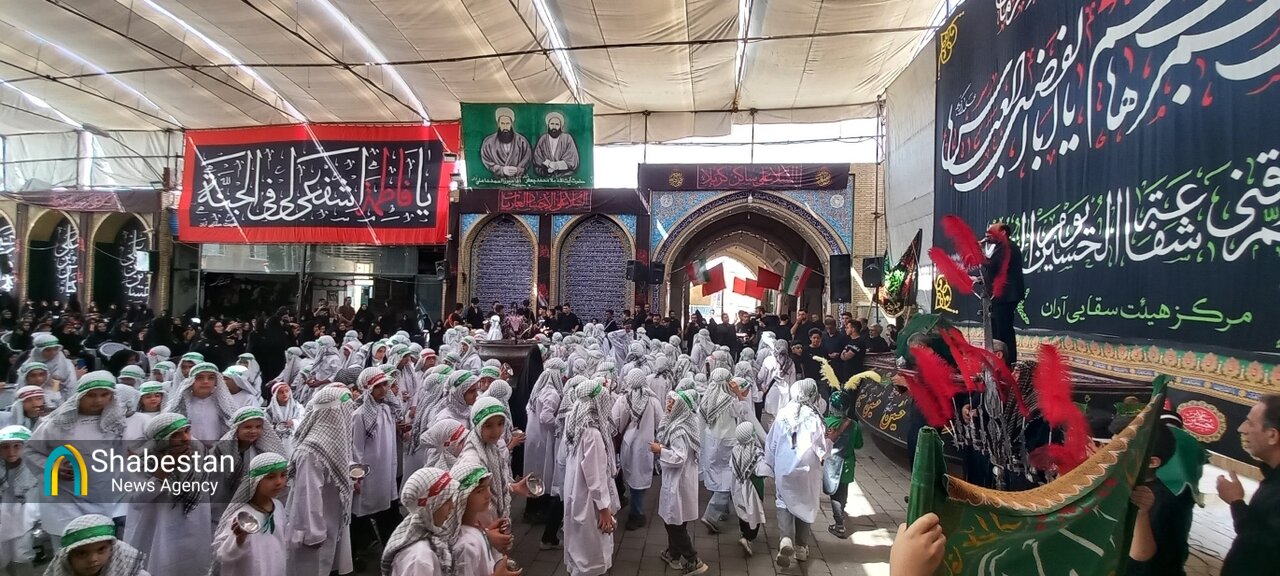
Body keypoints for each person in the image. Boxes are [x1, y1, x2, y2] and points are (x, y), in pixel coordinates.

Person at [24, 371, 127, 553]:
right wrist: (52, 466)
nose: (98, 400)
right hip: (64, 498)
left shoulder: (116, 424)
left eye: (104, 394)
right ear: (80, 395)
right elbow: (30, 450)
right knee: (68, 550)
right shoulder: (56, 424)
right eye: (92, 395)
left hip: (101, 496)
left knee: (98, 550)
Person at [124, 412, 214, 575]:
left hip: (195, 524)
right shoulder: (144, 460)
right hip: (159, 528)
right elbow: (137, 501)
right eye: (175, 435)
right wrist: (164, 470)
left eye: (187, 431)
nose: (185, 438)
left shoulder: (199, 451)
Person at [286, 386, 355, 576]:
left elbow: (341, 461)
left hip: (332, 514)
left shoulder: (331, 441)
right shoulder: (311, 451)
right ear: (334, 414)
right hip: (316, 524)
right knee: (315, 567)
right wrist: (313, 533)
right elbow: (308, 495)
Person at [761, 379, 827, 567]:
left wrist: (771, 464)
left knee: (783, 501)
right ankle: (801, 547)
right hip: (807, 471)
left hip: (784, 467)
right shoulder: (815, 417)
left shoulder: (783, 414)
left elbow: (772, 443)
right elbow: (821, 448)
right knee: (805, 504)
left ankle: (785, 539)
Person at [1216, 394, 1280, 576]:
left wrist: (1236, 502)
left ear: (1272, 435)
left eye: (1250, 423)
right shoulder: (1272, 475)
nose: (1241, 429)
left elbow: (1263, 546)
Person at [562, 379, 619, 576]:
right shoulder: (592, 434)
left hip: (576, 493)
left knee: (579, 545)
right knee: (590, 549)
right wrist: (604, 508)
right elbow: (595, 476)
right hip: (589, 500)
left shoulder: (574, 424)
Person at [652, 389, 708, 575]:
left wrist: (660, 450)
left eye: (672, 402)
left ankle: (693, 560)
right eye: (668, 401)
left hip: (678, 480)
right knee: (677, 519)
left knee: (673, 522)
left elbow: (679, 458)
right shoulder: (686, 422)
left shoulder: (678, 431)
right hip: (684, 479)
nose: (668, 405)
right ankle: (673, 554)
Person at [211, 452, 290, 576]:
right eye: (270, 477)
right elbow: (222, 554)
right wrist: (239, 539)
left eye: (283, 475)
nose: (279, 482)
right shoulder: (241, 515)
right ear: (255, 481)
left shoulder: (278, 506)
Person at [351, 368, 402, 555]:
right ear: (368, 389)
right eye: (377, 386)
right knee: (362, 508)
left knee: (387, 507)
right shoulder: (359, 415)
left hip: (385, 469)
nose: (383, 389)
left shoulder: (387, 409)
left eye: (384, 385)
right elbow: (356, 448)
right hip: (369, 472)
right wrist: (357, 475)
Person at [380, 467, 459, 576]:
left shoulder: (432, 539)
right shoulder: (420, 560)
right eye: (446, 501)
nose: (452, 506)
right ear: (430, 508)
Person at [612, 368, 661, 531]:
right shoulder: (652, 400)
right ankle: (637, 512)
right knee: (640, 478)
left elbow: (615, 423)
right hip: (647, 446)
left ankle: (636, 512)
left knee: (633, 476)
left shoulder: (623, 400)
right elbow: (661, 423)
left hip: (628, 445)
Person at [44, 514, 150, 576]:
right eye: (82, 553)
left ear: (112, 548)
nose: (93, 559)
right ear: (67, 557)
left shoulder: (131, 571)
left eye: (101, 549)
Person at [980, 223, 1025, 365]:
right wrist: (979, 279)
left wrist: (978, 253)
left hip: (1006, 295)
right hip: (1003, 295)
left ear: (1003, 233)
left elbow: (993, 267)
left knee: (1003, 330)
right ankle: (1004, 361)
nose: (987, 236)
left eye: (991, 233)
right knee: (1000, 329)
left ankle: (1006, 363)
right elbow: (997, 271)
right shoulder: (1003, 247)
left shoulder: (1006, 247)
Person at [165, 362, 235, 443]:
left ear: (216, 381)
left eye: (211, 378)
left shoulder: (224, 404)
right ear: (191, 380)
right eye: (199, 377)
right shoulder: (178, 404)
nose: (205, 381)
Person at [0, 425, 35, 576]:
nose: (11, 452)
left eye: (16, 446)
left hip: (22, 521)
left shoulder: (33, 468)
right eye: (5, 447)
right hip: (2, 520)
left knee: (22, 556)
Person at [730, 422, 766, 557]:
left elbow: (731, 466)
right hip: (754, 489)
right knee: (754, 512)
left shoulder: (735, 450)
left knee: (742, 511)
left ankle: (743, 533)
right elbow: (761, 470)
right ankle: (748, 537)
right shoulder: (755, 453)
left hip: (738, 487)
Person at [479, 107, 532, 179]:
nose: (505, 127)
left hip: (517, 181)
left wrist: (517, 170)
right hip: (496, 181)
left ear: (511, 124)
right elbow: (486, 160)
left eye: (507, 123)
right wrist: (502, 170)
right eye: (502, 123)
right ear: (498, 124)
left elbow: (527, 158)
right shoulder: (488, 142)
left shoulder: (522, 141)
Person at [532, 111, 580, 177]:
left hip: (564, 177)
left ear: (561, 126)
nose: (554, 127)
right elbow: (537, 158)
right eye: (552, 124)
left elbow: (572, 160)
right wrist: (547, 165)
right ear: (548, 125)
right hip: (546, 176)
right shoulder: (543, 139)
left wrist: (557, 165)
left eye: (557, 124)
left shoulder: (567, 138)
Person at [265, 382, 303, 458]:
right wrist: (274, 427)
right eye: (281, 392)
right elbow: (265, 424)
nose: (284, 394)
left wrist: (294, 422)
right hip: (276, 440)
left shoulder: (297, 407)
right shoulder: (270, 410)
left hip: (293, 438)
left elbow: (303, 419)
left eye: (286, 391)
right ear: (275, 395)